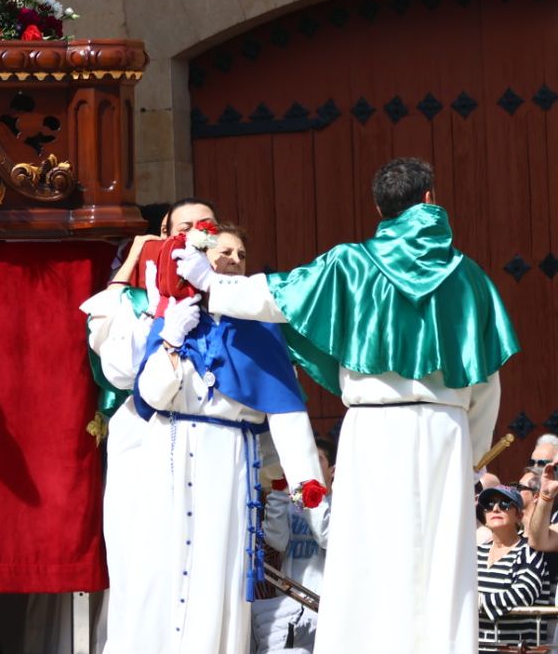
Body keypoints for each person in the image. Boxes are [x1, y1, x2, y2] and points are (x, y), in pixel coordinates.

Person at [175, 158, 517, 654]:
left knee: (368, 557)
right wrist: (471, 453)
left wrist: (212, 282)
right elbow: (487, 379)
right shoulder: (469, 278)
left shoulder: (350, 264)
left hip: (372, 429)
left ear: (379, 208)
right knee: (442, 563)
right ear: (429, 199)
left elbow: (279, 297)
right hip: (447, 428)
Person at [132, 219, 328, 654]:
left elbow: (285, 408)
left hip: (227, 458)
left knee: (215, 571)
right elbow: (151, 397)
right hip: (172, 451)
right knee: (161, 569)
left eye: (241, 255)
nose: (234, 261)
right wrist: (168, 339)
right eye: (225, 252)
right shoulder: (173, 314)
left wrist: (305, 482)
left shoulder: (261, 330)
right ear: (201, 258)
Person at [81, 197, 216, 654]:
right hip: (141, 436)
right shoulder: (136, 301)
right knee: (140, 557)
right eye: (184, 229)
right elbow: (118, 367)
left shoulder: (226, 300)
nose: (195, 238)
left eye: (205, 228)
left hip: (205, 442)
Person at [252, 438, 334, 654]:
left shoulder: (342, 503)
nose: (308, 466)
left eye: (317, 460)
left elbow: (326, 536)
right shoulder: (297, 501)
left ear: (332, 470)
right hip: (290, 609)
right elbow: (276, 541)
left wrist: (311, 495)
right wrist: (280, 492)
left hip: (327, 607)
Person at [475, 484, 551, 651]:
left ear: (519, 515)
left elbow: (522, 593)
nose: (495, 508)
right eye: (489, 505)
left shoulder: (530, 552)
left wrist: (476, 602)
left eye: (504, 504)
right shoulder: (475, 553)